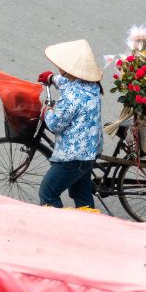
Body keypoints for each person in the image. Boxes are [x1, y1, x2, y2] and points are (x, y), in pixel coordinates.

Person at [36, 39, 103, 209]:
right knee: (81, 194)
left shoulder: (72, 97)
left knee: (48, 193)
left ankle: (60, 230)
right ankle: (87, 227)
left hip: (73, 156)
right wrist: (52, 78)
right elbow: (69, 82)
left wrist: (47, 111)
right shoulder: (91, 85)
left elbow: (55, 124)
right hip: (89, 151)